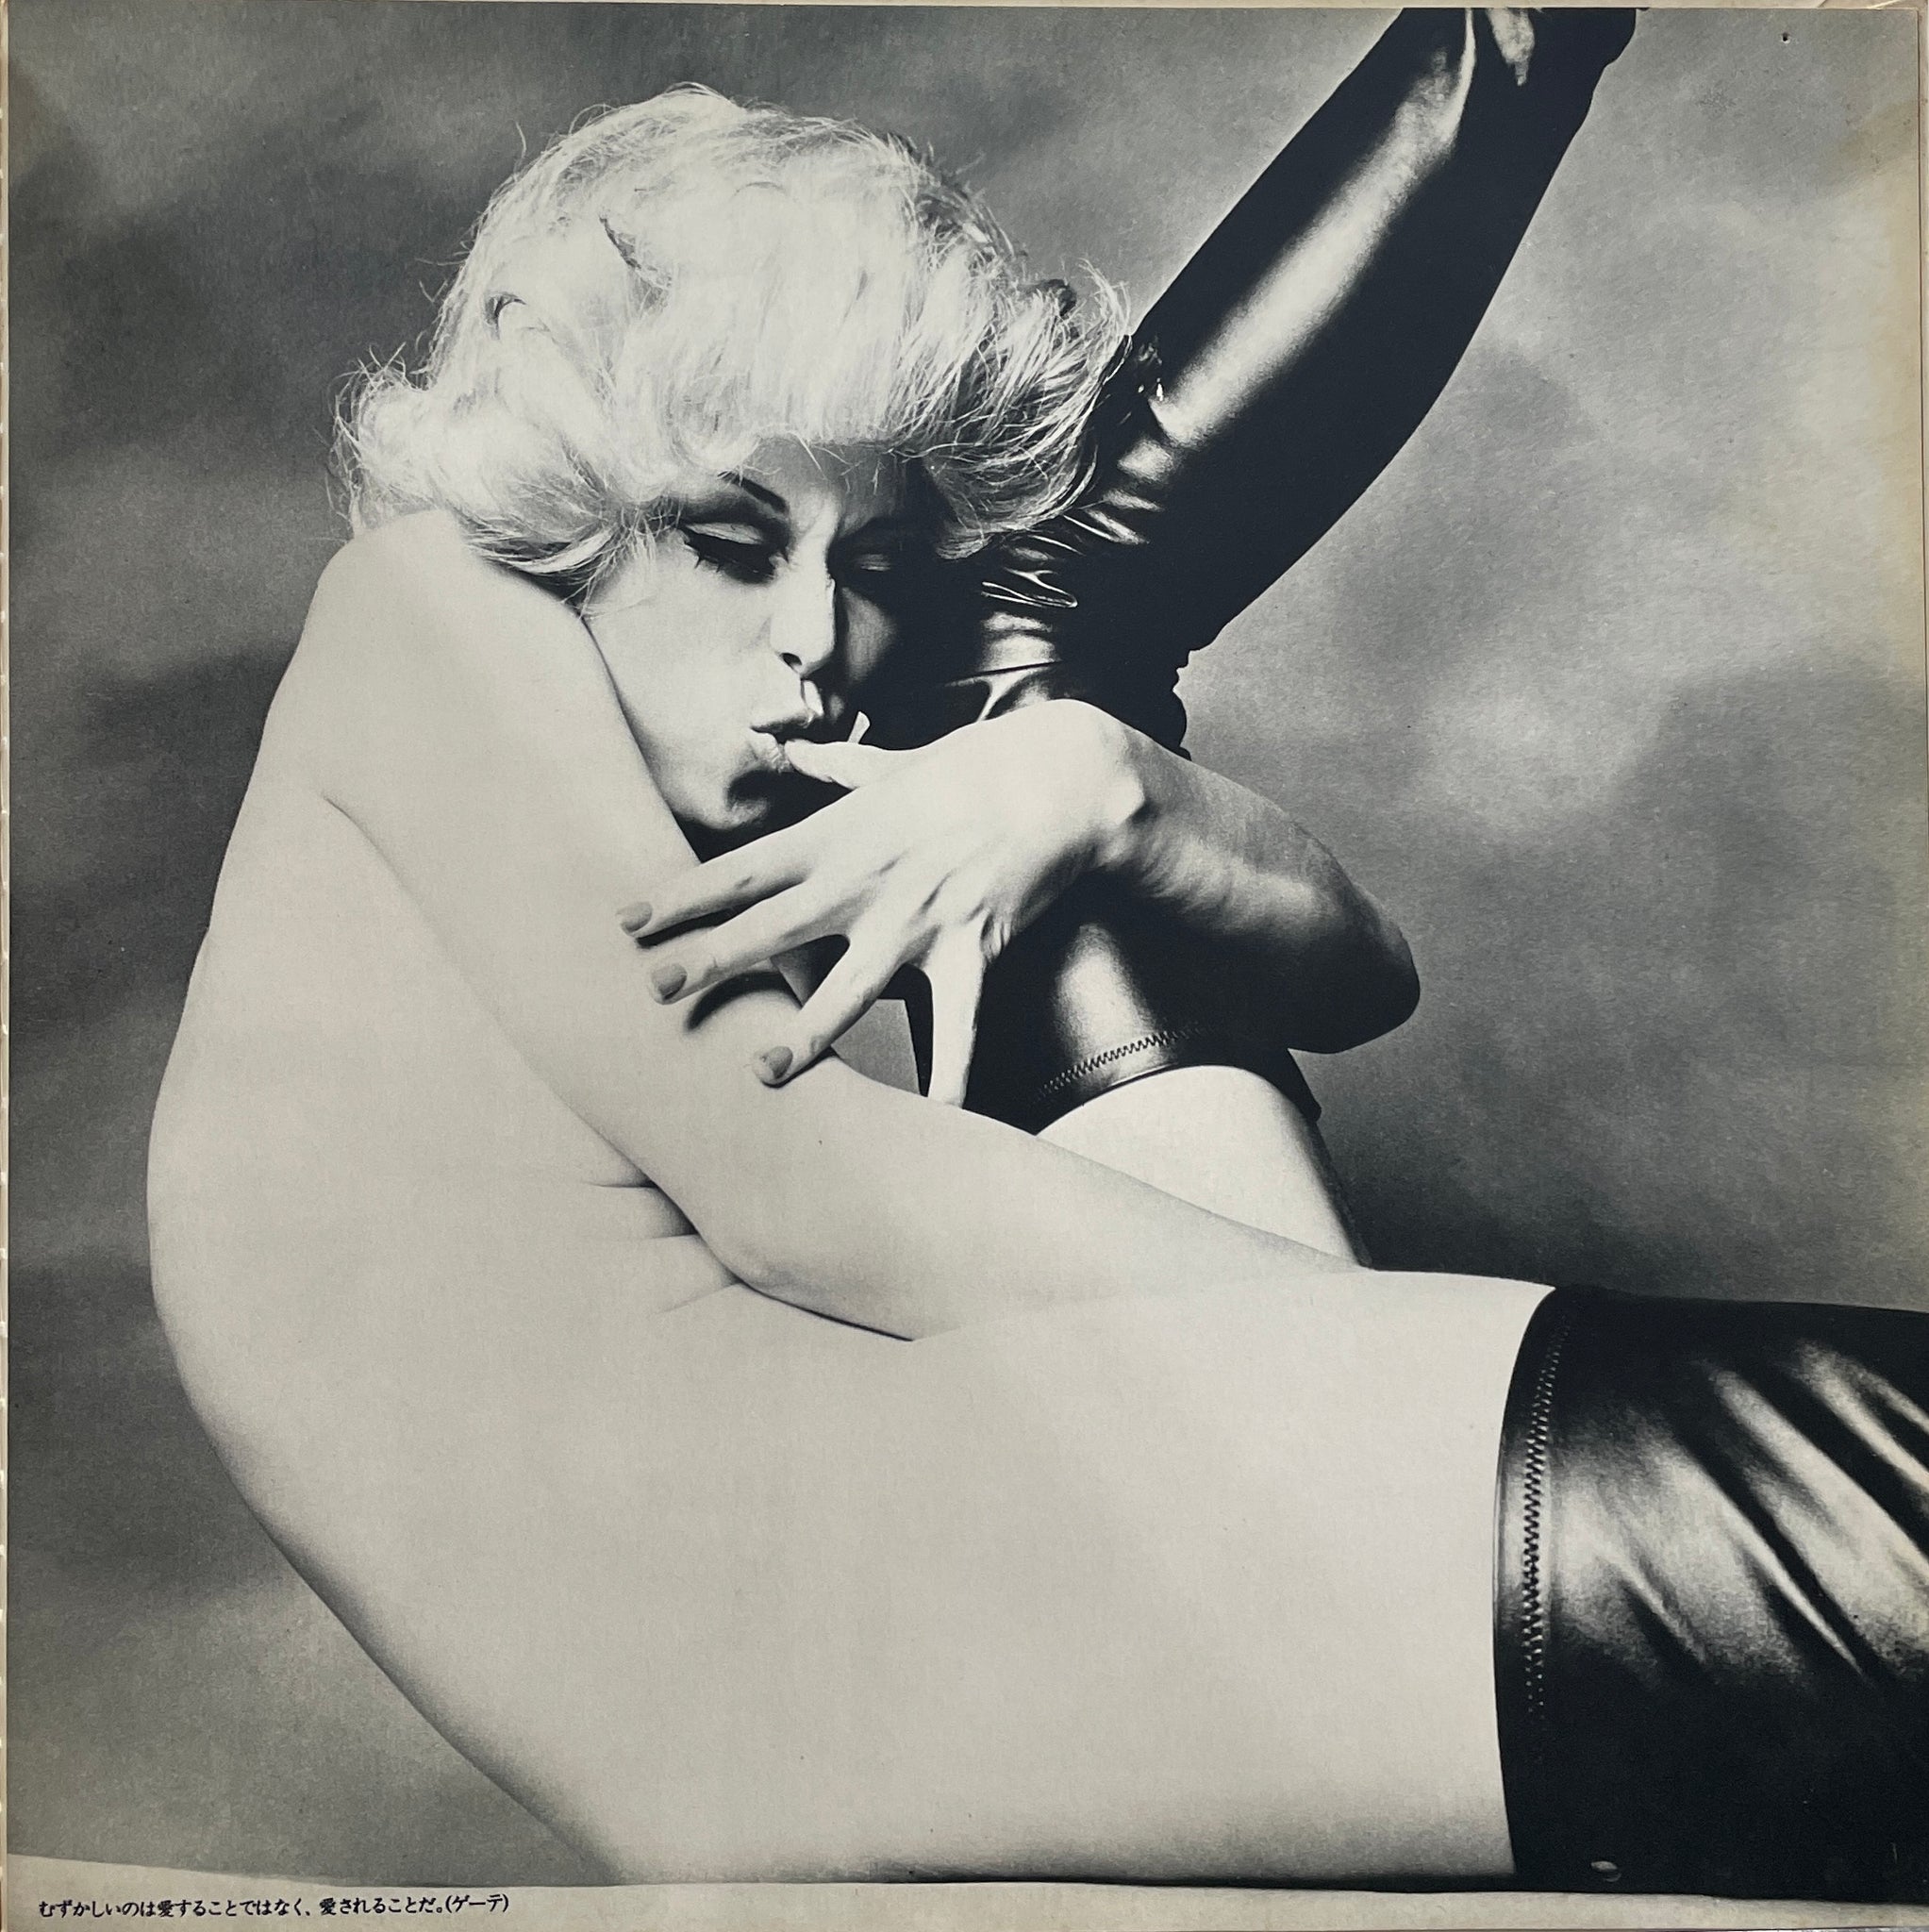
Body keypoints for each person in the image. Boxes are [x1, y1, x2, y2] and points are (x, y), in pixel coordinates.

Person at [147, 19, 1929, 1903]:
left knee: (1036, 658)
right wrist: (1389, 1363)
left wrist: (1088, 783)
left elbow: (1359, 978)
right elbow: (804, 1197)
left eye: (866, 565)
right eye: (732, 540)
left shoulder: (696, 774)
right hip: (827, 1611)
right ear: (564, 502)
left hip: (883, 1587)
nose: (814, 640)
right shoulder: (425, 604)